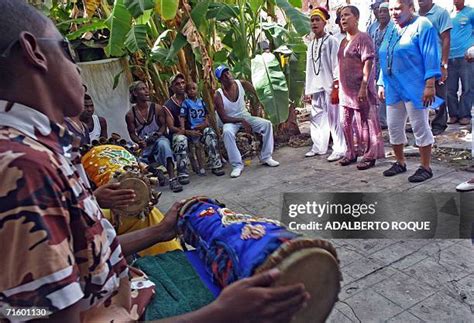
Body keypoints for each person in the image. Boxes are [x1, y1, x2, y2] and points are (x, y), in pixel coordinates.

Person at [0, 1, 309, 321]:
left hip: (126, 292)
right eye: (67, 51)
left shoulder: (39, 150)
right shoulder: (23, 167)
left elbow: (86, 260)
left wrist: (161, 230)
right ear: (33, 51)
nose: (77, 68)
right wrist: (221, 314)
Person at [378, 0, 440, 182]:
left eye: (398, 8)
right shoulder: (391, 28)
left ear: (410, 7)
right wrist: (381, 82)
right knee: (394, 126)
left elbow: (431, 56)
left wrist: (430, 85)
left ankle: (425, 167)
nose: (394, 13)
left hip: (416, 87)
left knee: (420, 126)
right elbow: (386, 55)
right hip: (393, 86)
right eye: (391, 10)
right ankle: (400, 162)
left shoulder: (423, 25)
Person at [337, 5, 385, 170]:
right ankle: (351, 152)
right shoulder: (343, 41)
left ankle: (370, 155)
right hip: (345, 92)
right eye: (341, 16)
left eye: (347, 15)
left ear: (356, 18)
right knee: (345, 123)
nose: (343, 19)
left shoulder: (363, 38)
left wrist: (364, 86)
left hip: (360, 89)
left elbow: (369, 63)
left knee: (366, 123)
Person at [214, 65, 280, 178]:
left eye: (227, 73)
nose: (227, 76)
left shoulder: (241, 84)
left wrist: (263, 103)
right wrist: (241, 121)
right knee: (227, 132)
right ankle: (237, 165)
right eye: (223, 76)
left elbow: (257, 92)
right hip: (230, 121)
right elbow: (224, 118)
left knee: (267, 124)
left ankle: (266, 157)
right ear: (220, 81)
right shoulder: (218, 95)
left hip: (245, 116)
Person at [304, 7, 346, 161]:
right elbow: (309, 69)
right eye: (312, 20)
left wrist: (336, 86)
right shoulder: (311, 44)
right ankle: (319, 147)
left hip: (329, 86)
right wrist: (307, 90)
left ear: (324, 22)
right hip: (315, 87)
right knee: (316, 118)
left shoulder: (332, 41)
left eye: (317, 20)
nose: (314, 23)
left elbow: (336, 65)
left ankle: (339, 149)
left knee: (334, 119)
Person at [125, 81, 183, 193]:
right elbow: (132, 133)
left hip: (158, 139)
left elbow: (163, 125)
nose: (146, 91)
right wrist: (139, 141)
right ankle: (157, 173)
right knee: (134, 159)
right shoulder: (130, 114)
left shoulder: (156, 108)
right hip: (145, 143)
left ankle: (172, 179)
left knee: (164, 145)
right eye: (142, 89)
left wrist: (157, 135)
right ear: (135, 93)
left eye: (147, 88)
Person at [418, 0, 452, 136]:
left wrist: (444, 64)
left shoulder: (440, 13)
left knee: (440, 93)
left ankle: (439, 123)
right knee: (420, 94)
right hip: (419, 63)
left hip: (436, 62)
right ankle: (423, 123)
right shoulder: (414, 14)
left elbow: (446, 39)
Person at [180, 82, 225, 176]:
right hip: (193, 129)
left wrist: (206, 123)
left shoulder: (201, 101)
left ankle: (216, 164)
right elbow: (182, 116)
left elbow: (207, 114)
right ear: (186, 92)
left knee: (211, 135)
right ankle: (201, 167)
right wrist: (183, 129)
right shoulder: (186, 103)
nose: (192, 91)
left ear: (197, 90)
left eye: (194, 89)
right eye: (189, 89)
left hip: (203, 127)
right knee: (197, 146)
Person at [446, 0, 473, 126]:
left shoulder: (471, 12)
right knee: (449, 89)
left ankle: (465, 114)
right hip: (449, 57)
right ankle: (453, 114)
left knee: (467, 87)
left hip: (466, 57)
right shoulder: (448, 14)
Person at [164, 73, 191, 185]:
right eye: (177, 84)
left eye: (183, 83)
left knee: (209, 132)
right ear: (172, 88)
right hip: (179, 132)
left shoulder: (192, 98)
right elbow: (171, 127)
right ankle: (182, 173)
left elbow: (203, 118)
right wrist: (186, 131)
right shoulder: (168, 105)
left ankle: (216, 164)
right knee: (180, 139)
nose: (181, 86)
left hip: (194, 129)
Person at [368, 2, 392, 129]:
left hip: (389, 66)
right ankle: (380, 120)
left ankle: (386, 121)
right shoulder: (373, 28)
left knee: (387, 93)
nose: (381, 14)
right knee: (377, 92)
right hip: (375, 66)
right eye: (380, 11)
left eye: (385, 11)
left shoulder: (393, 28)